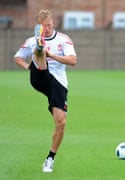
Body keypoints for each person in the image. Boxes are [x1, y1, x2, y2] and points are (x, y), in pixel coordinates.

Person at [14, 9, 77, 173]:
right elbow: (18, 57)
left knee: (61, 122)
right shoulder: (30, 41)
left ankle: (50, 159)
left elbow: (73, 61)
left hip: (57, 83)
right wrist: (27, 66)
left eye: (49, 25)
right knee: (38, 51)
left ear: (53, 24)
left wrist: (53, 55)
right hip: (39, 77)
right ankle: (40, 48)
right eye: (43, 27)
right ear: (39, 27)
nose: (47, 28)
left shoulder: (63, 40)